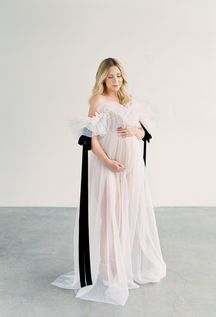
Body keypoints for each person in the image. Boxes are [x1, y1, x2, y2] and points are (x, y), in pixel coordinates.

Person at [51, 57, 167, 306]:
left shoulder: (128, 100)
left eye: (119, 75)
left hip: (132, 167)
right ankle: (108, 271)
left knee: (127, 214)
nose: (116, 80)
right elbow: (90, 140)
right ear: (102, 78)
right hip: (109, 166)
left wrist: (135, 132)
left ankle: (123, 266)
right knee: (109, 216)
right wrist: (108, 163)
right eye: (110, 76)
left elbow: (143, 132)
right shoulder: (98, 101)